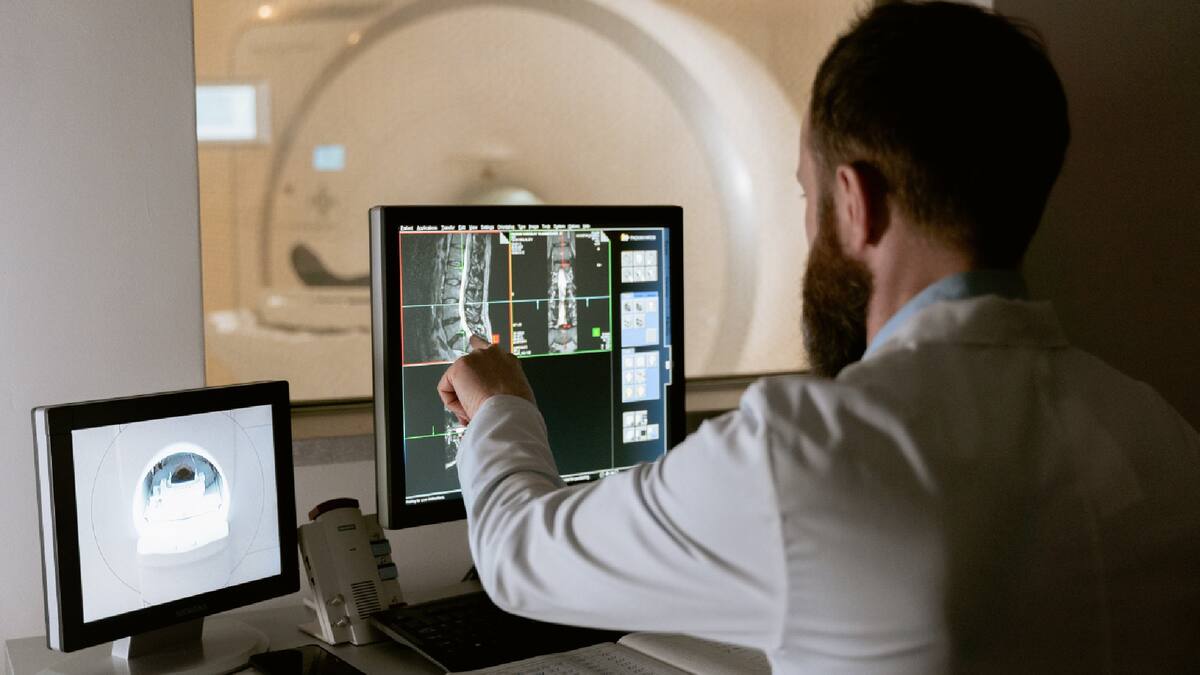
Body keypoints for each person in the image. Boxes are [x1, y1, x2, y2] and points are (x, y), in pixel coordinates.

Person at [437, 2, 1200, 672]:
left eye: (808, 195)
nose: (809, 228)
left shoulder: (808, 453)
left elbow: (518, 556)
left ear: (855, 200)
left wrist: (501, 404)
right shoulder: (1160, 437)